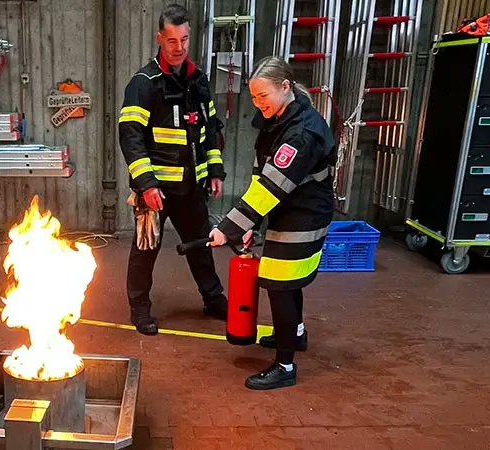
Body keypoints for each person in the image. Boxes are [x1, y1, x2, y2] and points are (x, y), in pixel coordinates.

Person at [209, 57, 336, 390]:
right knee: (288, 280)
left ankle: (285, 365)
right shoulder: (274, 118)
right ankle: (295, 334)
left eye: (263, 95)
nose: (257, 103)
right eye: (253, 96)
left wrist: (228, 227)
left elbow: (271, 187)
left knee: (278, 282)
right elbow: (260, 174)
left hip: (305, 212)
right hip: (289, 208)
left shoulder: (302, 133)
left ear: (285, 87)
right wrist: (251, 223)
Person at [119, 4, 227, 336]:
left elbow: (210, 129)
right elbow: (130, 136)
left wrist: (215, 171)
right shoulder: (144, 83)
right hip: (156, 192)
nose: (179, 48)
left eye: (184, 40)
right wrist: (147, 184)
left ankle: (213, 300)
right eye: (171, 41)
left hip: (192, 188)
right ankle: (140, 309)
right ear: (159, 39)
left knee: (201, 246)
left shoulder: (198, 80)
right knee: (145, 250)